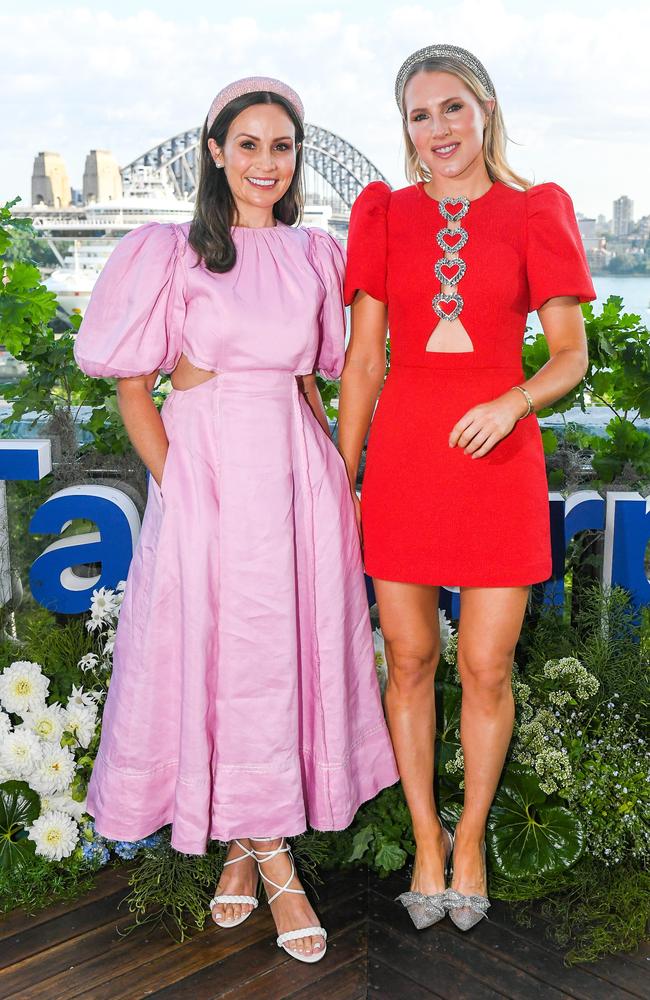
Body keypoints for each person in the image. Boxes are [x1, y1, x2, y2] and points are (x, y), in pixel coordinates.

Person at [74, 75, 398, 962]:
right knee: (219, 652)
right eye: (247, 144)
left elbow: (310, 380)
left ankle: (246, 852)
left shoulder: (314, 254)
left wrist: (334, 472)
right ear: (215, 151)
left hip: (294, 470)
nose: (266, 161)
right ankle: (272, 860)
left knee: (278, 657)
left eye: (282, 146)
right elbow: (135, 393)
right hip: (207, 470)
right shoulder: (168, 252)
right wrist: (184, 487)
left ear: (297, 158)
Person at [339, 45, 596, 931]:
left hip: (498, 462)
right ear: (404, 129)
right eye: (419, 115)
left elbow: (571, 356)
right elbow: (364, 360)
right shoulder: (381, 214)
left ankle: (475, 835)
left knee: (485, 667)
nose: (437, 129)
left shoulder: (537, 210)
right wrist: (346, 473)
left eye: (451, 108)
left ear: (484, 109)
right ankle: (425, 837)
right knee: (408, 659)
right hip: (406, 463)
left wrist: (511, 398)